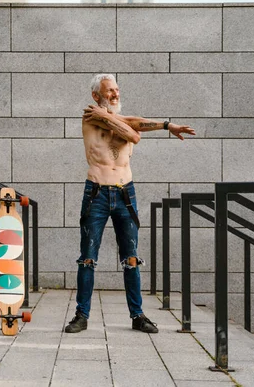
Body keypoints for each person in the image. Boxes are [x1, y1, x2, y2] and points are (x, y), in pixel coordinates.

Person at [65, 74, 195, 334]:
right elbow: (134, 135)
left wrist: (168, 125)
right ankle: (81, 315)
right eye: (109, 91)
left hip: (126, 193)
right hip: (97, 193)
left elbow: (131, 126)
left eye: (116, 90)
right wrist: (131, 128)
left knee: (132, 258)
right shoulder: (89, 118)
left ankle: (137, 315)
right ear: (96, 96)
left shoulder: (105, 116)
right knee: (87, 258)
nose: (115, 95)